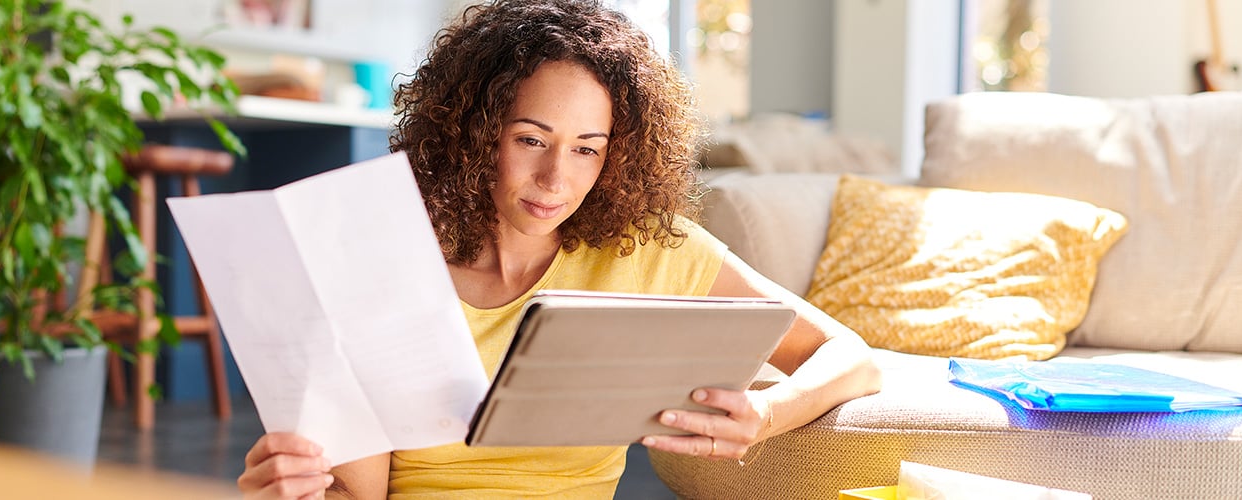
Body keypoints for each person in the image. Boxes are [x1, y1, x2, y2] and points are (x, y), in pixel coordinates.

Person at [238, 1, 882, 498]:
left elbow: (851, 356)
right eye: (530, 139)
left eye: (586, 149)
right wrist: (298, 488)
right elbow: (358, 492)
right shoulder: (385, 262)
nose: (556, 180)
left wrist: (766, 413)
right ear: (476, 132)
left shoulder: (647, 248)